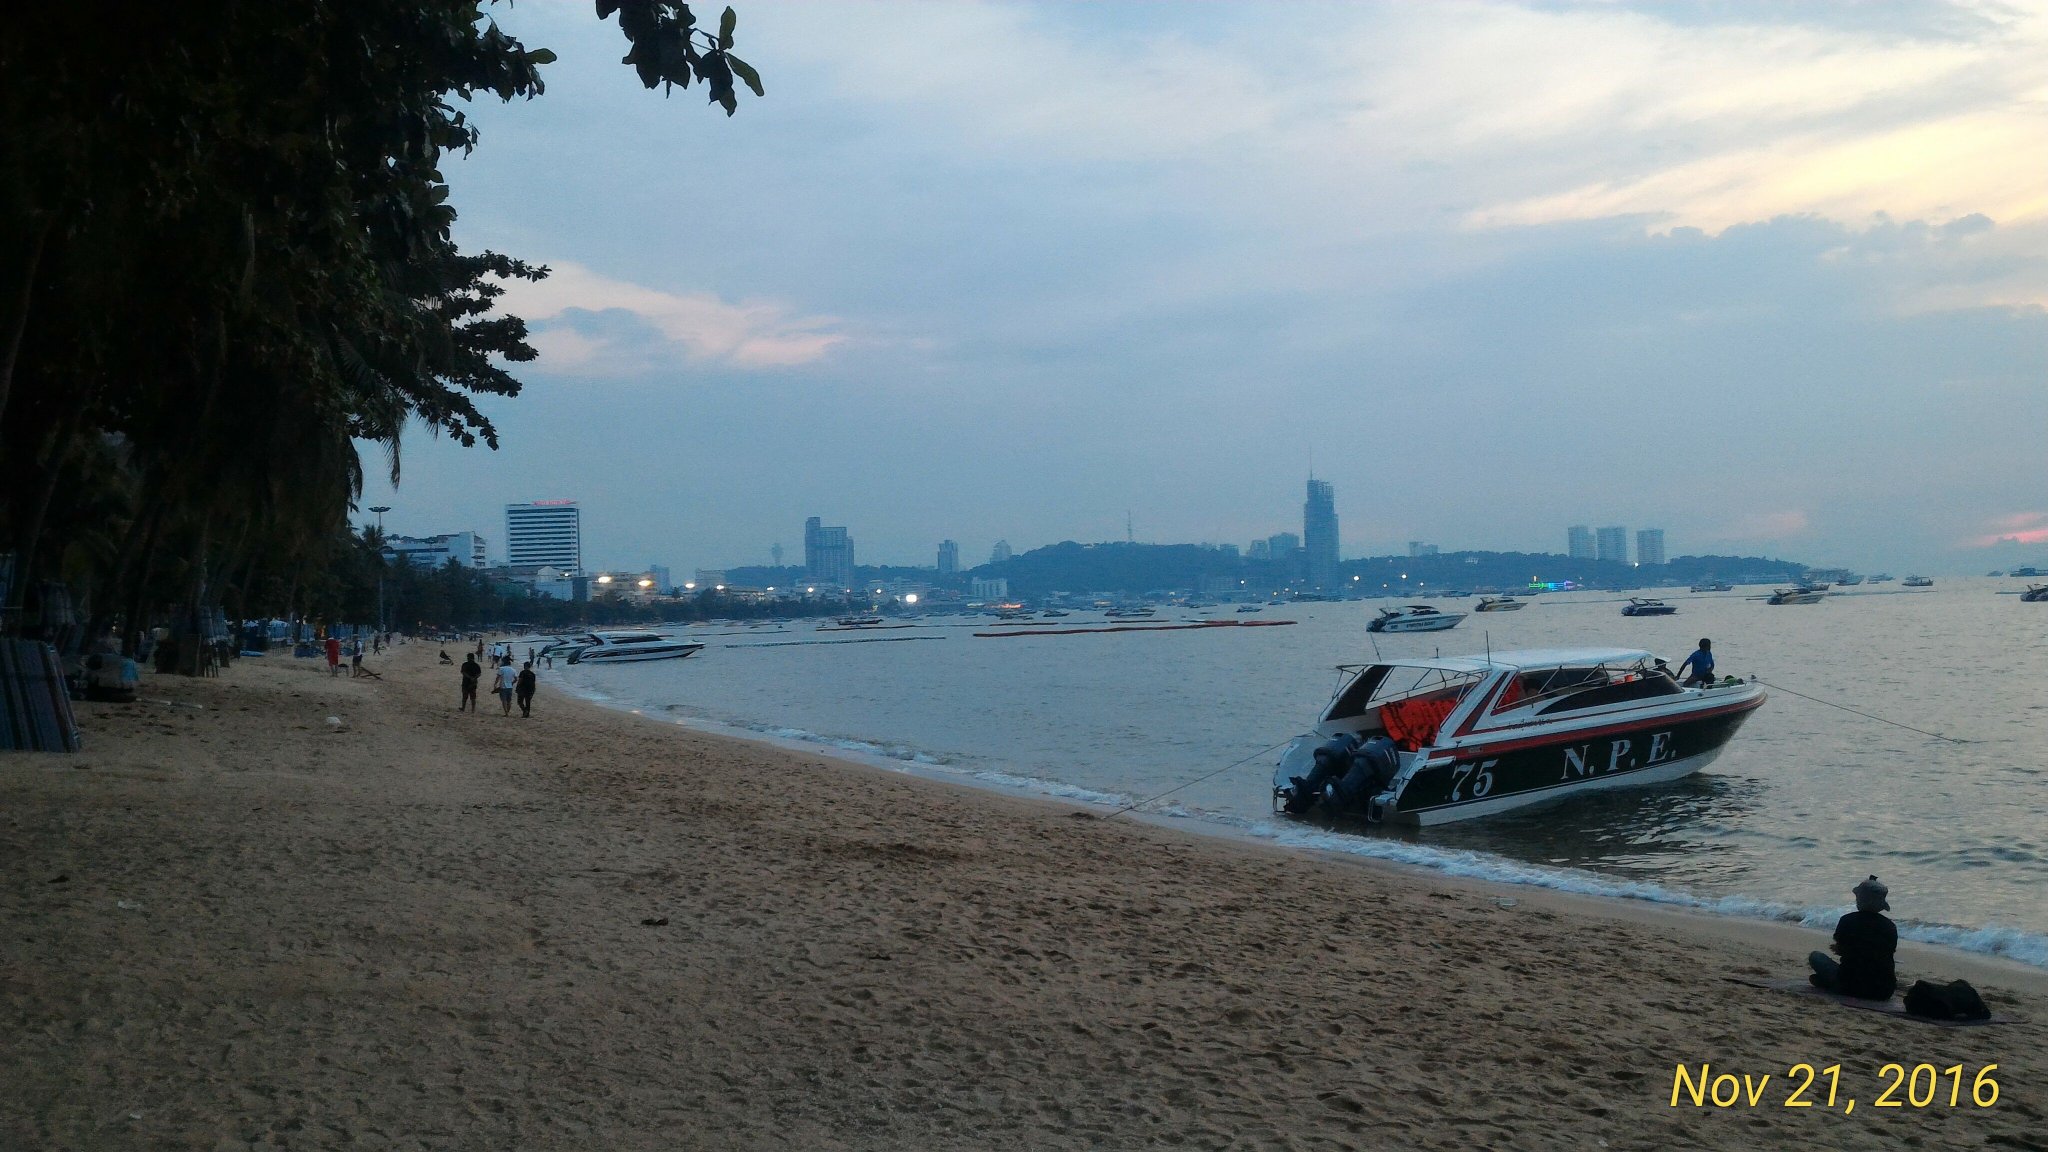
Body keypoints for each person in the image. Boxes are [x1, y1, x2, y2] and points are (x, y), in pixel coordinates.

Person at [1809, 876, 1897, 1000]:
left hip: (1850, 985)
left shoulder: (1847, 920)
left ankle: (1829, 983)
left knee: (1816, 956)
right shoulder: (1890, 926)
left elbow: (1841, 949)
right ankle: (1827, 982)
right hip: (1883, 991)